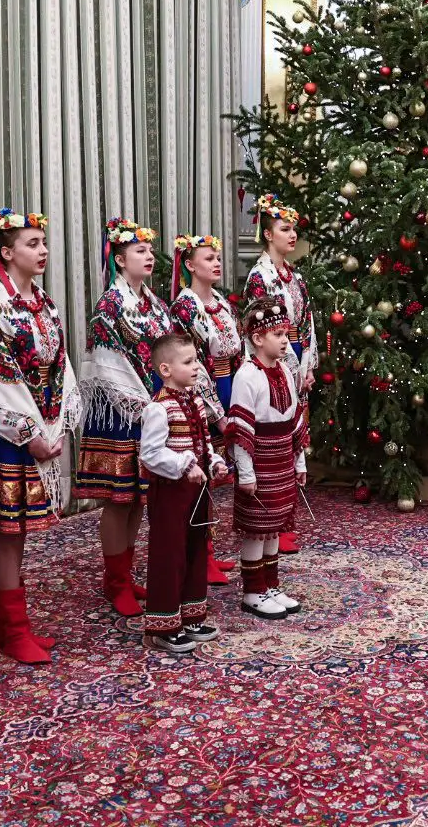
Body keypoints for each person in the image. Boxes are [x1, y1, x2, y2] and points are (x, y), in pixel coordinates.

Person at [0, 207, 80, 663]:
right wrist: (29, 431)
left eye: (43, 243)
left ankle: (9, 627)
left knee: (22, 531)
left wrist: (58, 423)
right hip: (9, 430)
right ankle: (13, 631)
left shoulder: (45, 303)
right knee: (11, 529)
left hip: (43, 422)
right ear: (6, 253)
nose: (43, 250)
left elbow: (60, 365)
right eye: (32, 244)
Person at [77, 218, 172, 618]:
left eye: (150, 250)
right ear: (119, 259)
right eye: (139, 251)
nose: (149, 256)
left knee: (138, 499)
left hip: (151, 407)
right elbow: (107, 364)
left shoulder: (155, 304)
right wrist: (144, 406)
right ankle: (115, 581)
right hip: (121, 411)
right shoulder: (109, 306)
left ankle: (125, 574)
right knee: (119, 500)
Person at [137, 333, 230, 654]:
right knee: (169, 555)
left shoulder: (196, 402)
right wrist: (184, 464)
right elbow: (150, 454)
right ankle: (164, 625)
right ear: (165, 369)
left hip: (197, 490)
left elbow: (203, 442)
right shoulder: (158, 408)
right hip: (170, 493)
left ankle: (191, 617)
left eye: (196, 360)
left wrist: (213, 462)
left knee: (195, 550)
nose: (197, 367)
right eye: (188, 362)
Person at [168, 233, 244, 586]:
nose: (216, 263)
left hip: (229, 385)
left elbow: (236, 350)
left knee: (215, 474)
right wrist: (218, 413)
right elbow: (193, 365)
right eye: (208, 258)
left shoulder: (221, 303)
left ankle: (208, 551)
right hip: (202, 391)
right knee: (200, 472)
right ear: (189, 265)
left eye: (217, 257)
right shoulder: (185, 307)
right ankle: (199, 555)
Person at [226, 299, 309, 619]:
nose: (285, 340)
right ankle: (253, 591)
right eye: (278, 334)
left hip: (282, 459)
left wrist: (299, 462)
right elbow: (241, 428)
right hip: (259, 460)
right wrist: (246, 474)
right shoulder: (246, 375)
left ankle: (271, 585)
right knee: (257, 529)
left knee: (274, 527)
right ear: (258, 339)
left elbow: (294, 420)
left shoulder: (285, 370)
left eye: (286, 333)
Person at [243, 194, 317, 552]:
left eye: (293, 229)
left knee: (293, 435)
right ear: (268, 234)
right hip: (277, 358)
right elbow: (261, 331)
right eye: (284, 229)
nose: (292, 235)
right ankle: (272, 518)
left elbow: (307, 322)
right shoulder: (260, 277)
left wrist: (307, 365)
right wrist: (285, 368)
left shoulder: (295, 276)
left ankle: (287, 516)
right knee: (275, 437)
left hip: (297, 354)